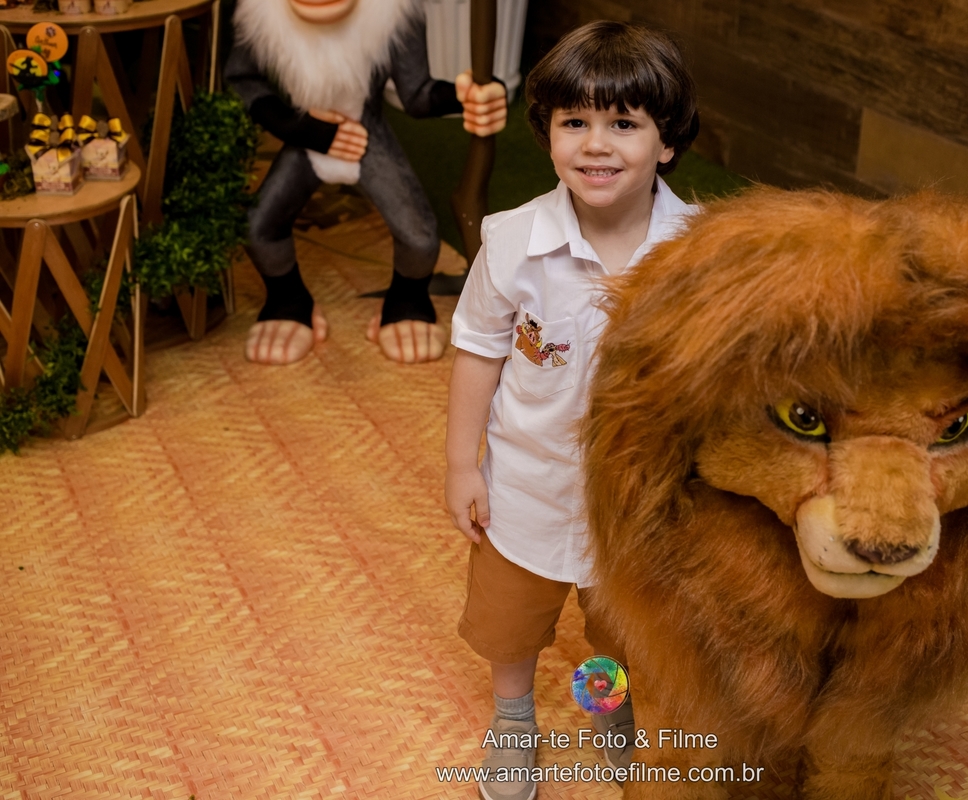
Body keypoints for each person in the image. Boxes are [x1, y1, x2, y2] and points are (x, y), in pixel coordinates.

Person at [444, 20, 700, 800]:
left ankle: (605, 707)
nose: (596, 143)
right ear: (548, 135)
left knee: (616, 626)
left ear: (666, 142)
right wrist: (462, 463)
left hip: (639, 499)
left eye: (624, 123)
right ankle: (514, 721)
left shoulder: (697, 252)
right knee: (510, 622)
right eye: (575, 122)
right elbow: (480, 347)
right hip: (525, 483)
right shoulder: (513, 240)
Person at [225, 0, 508, 366]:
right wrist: (301, 128)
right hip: (307, 139)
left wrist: (469, 96)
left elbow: (417, 94)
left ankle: (407, 301)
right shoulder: (258, 16)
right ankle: (287, 301)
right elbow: (241, 80)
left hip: (367, 137)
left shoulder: (393, 16)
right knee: (257, 227)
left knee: (420, 237)